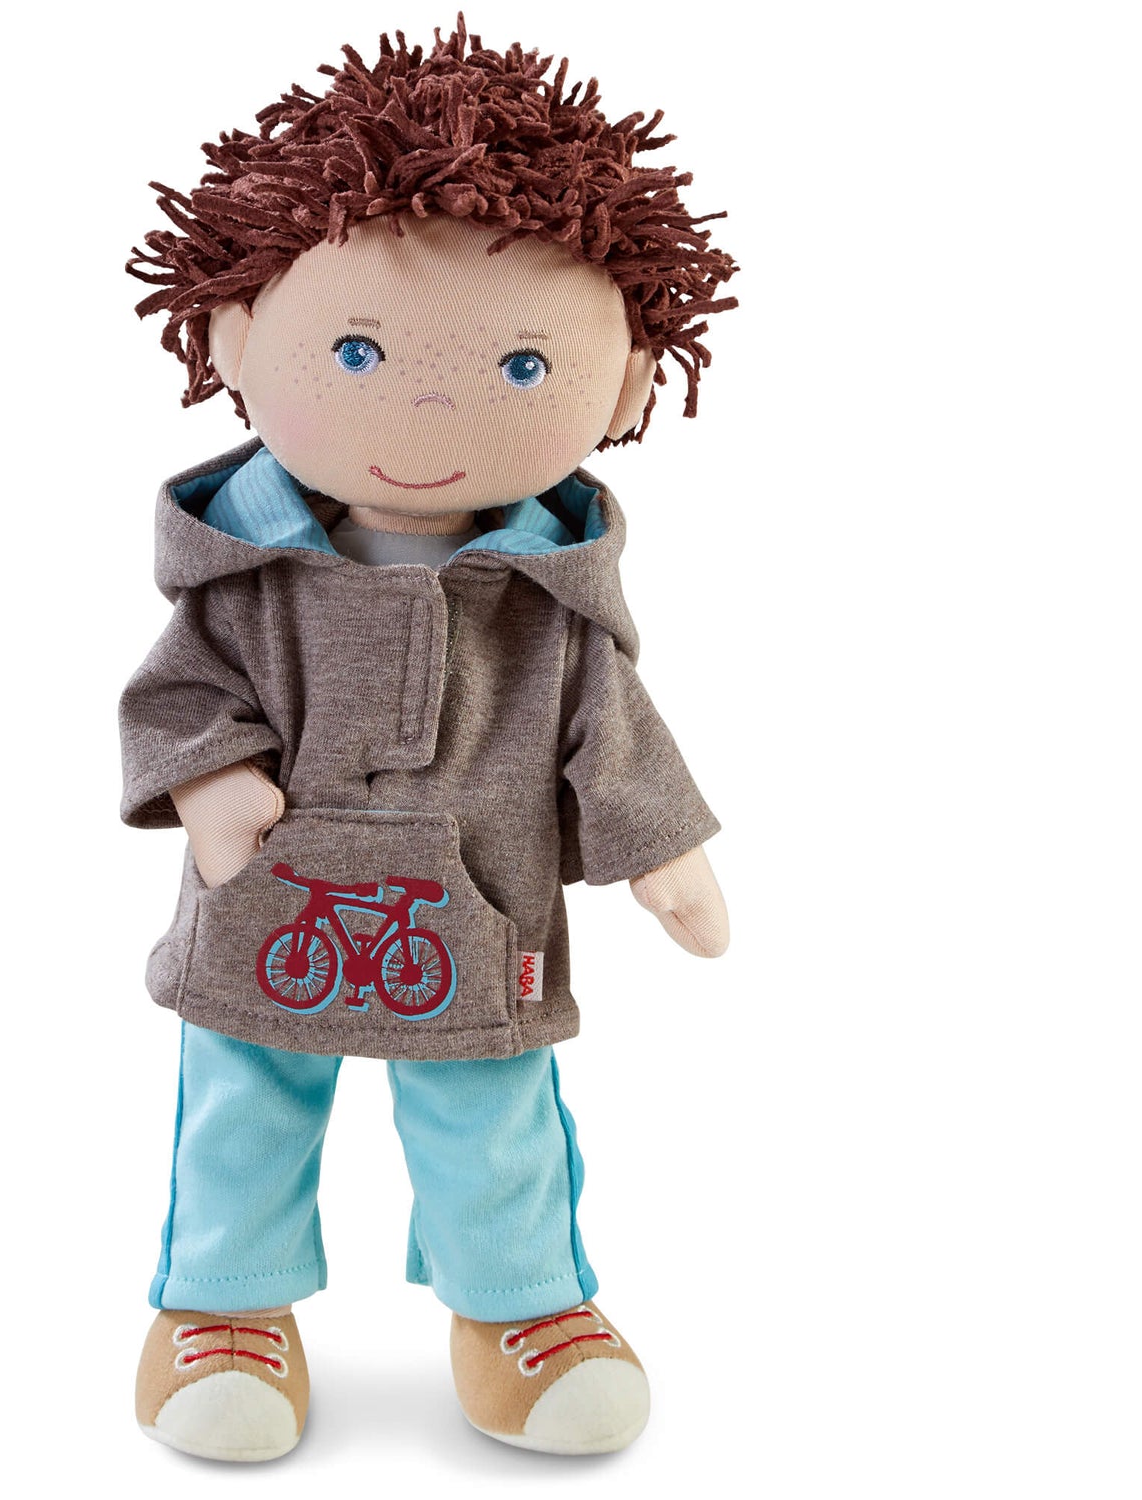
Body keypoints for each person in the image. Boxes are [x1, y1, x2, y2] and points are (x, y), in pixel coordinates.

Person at [120, 19, 738, 1461]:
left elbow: (609, 730)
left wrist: (665, 848)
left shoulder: (549, 602)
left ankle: (520, 1307)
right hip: (268, 895)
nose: (425, 407)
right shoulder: (244, 576)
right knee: (243, 1097)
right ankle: (222, 1304)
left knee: (493, 1106)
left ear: (624, 390)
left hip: (481, 903)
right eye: (357, 350)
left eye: (522, 365)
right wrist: (211, 776)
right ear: (236, 340)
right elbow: (176, 692)